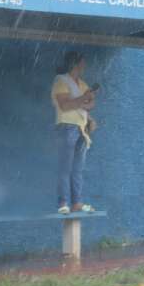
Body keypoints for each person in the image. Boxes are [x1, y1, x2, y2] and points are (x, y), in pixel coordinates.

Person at [51, 51, 98, 214]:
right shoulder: (60, 80)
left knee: (77, 169)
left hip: (81, 129)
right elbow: (64, 106)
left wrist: (83, 101)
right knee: (65, 167)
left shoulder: (82, 84)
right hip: (66, 127)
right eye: (82, 63)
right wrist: (83, 99)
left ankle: (77, 203)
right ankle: (63, 203)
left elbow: (91, 104)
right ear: (75, 64)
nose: (84, 66)